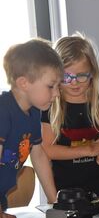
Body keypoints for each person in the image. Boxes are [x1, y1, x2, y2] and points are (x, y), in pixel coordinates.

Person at [41, 32, 99, 198]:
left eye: (82, 76)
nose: (74, 82)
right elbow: (48, 150)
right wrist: (89, 149)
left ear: (92, 74)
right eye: (66, 77)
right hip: (64, 192)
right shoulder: (50, 106)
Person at [0, 39, 63, 217]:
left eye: (58, 86)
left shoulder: (34, 112)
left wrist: (55, 202)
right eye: (51, 86)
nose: (57, 93)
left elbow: (39, 155)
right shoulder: (3, 111)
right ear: (24, 83)